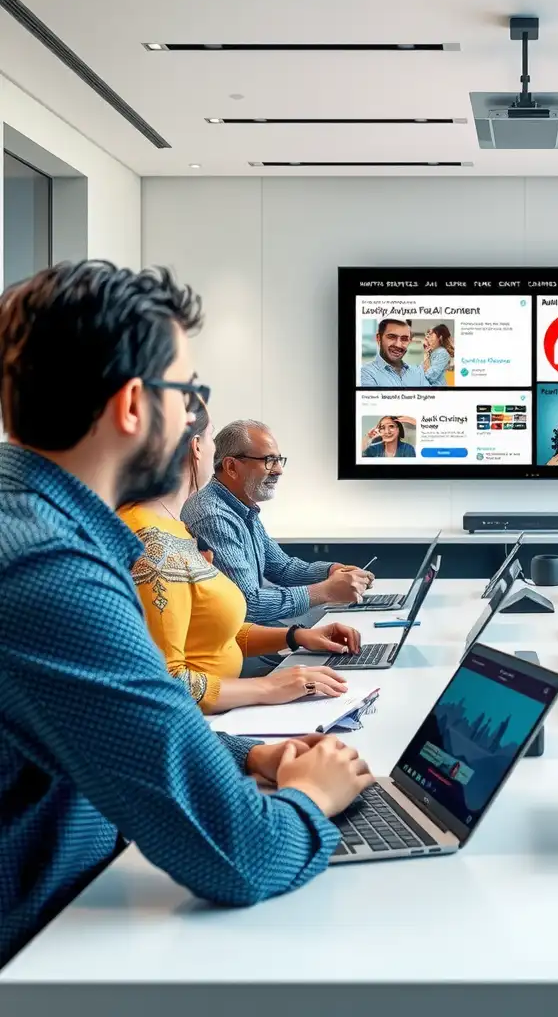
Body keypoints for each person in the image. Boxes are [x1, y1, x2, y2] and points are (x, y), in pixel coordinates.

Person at [0, 261, 374, 967]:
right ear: (136, 405)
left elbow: (118, 731)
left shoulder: (36, 524)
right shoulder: (46, 568)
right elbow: (243, 855)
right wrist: (313, 796)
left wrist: (251, 754)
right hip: (46, 957)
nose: (194, 418)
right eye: (190, 393)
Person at [121, 404, 366, 713]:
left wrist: (298, 636)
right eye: (211, 437)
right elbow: (166, 681)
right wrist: (266, 687)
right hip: (206, 722)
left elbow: (216, 628)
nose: (278, 469)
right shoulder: (158, 540)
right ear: (197, 448)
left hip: (226, 701)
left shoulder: (175, 526)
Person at [181, 419, 371, 625]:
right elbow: (248, 605)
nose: (279, 470)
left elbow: (283, 568)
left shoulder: (241, 506)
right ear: (231, 467)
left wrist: (332, 571)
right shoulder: (213, 517)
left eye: (279, 460)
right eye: (269, 460)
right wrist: (326, 591)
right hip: (236, 645)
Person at [359, 318, 428, 387]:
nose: (398, 345)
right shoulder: (365, 373)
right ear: (378, 338)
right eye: (392, 337)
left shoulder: (417, 372)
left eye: (404, 339)